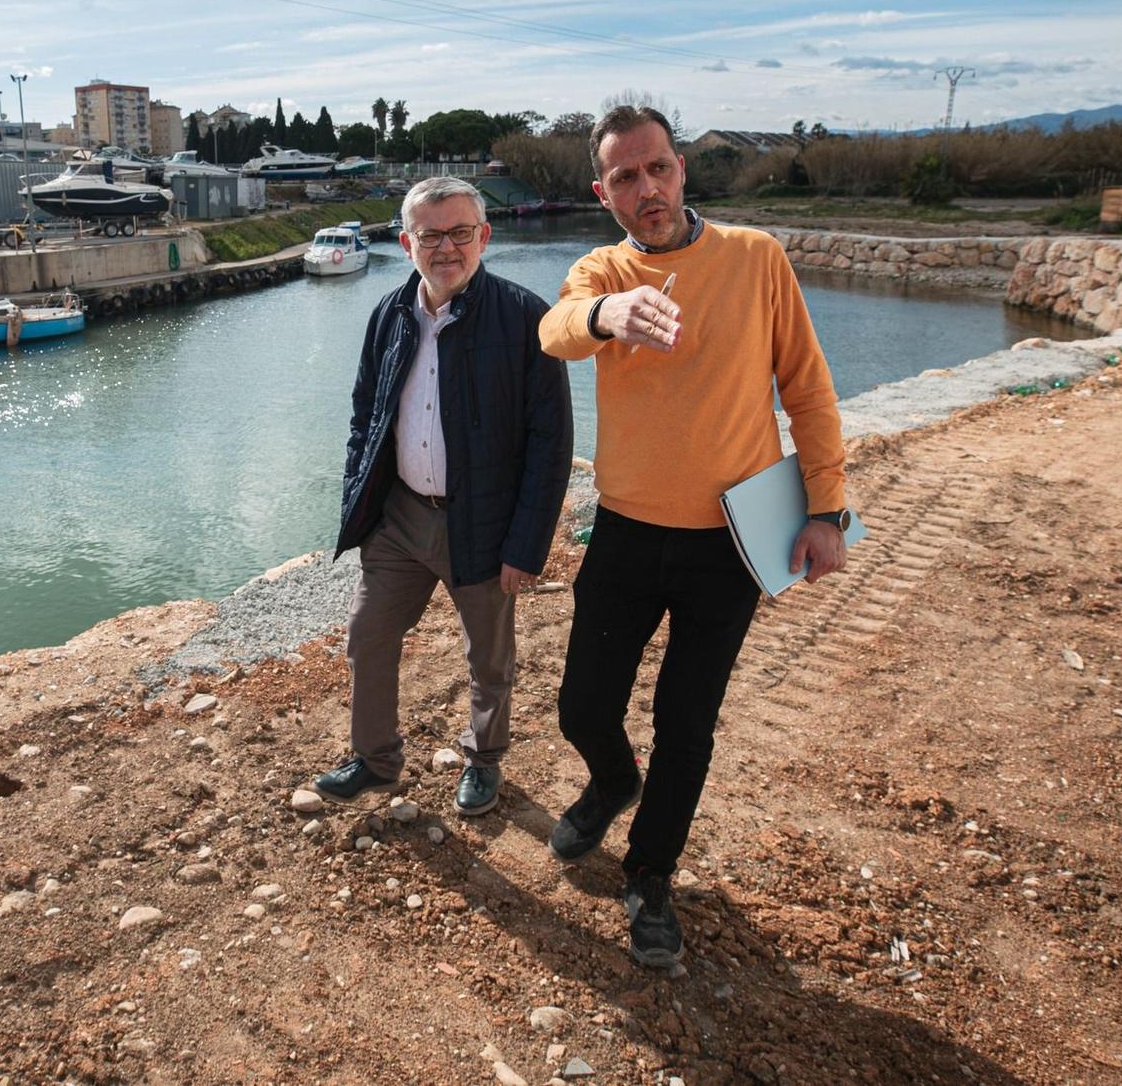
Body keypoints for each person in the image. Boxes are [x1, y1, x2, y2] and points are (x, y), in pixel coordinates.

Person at [539, 105, 850, 967]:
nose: (648, 189)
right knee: (582, 705)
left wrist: (824, 510)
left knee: (688, 723)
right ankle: (611, 779)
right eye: (627, 178)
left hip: (729, 542)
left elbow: (810, 392)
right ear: (604, 193)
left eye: (659, 169)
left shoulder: (755, 258)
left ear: (682, 169)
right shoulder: (602, 269)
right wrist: (610, 315)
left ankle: (651, 874)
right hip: (626, 535)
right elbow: (554, 329)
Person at [322, 176, 573, 816]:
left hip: (485, 522)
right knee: (367, 634)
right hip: (401, 517)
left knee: (488, 656)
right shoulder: (388, 314)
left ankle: (484, 760)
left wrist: (526, 544)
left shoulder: (526, 318)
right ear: (406, 242)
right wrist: (363, 500)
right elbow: (364, 415)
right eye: (430, 234)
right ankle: (375, 760)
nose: (446, 247)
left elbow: (551, 444)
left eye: (461, 232)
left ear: (483, 237)